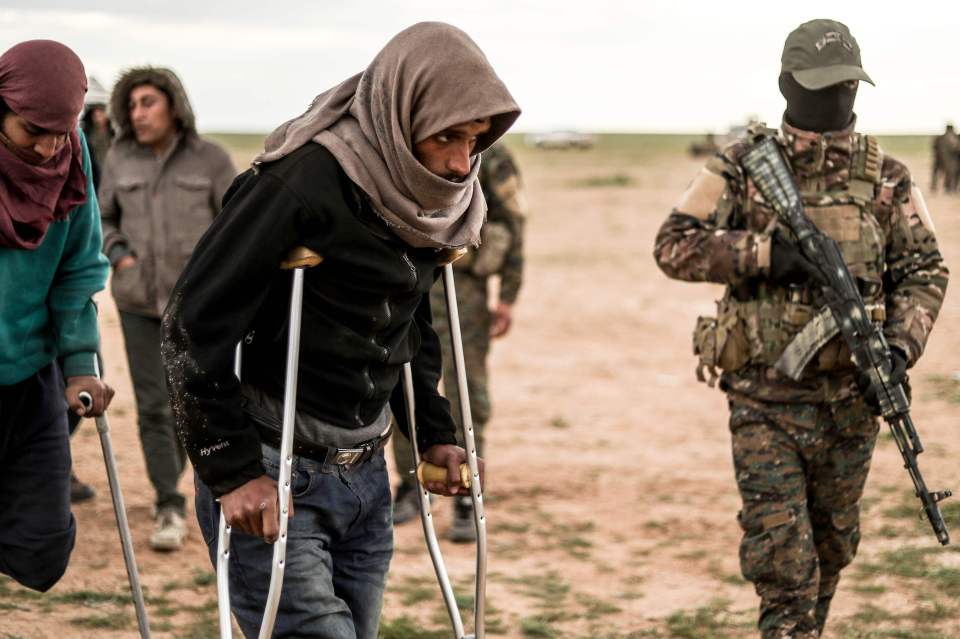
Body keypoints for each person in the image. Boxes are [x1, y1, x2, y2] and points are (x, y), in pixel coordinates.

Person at [161, 22, 519, 638]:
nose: (462, 163)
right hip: (274, 469)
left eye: (475, 140)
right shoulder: (302, 180)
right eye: (447, 138)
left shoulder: (429, 196)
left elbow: (412, 321)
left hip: (365, 473)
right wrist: (231, 470)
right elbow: (192, 325)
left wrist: (433, 434)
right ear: (401, 116)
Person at [654, 19, 949, 639]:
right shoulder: (742, 167)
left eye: (846, 86)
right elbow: (673, 245)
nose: (837, 101)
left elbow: (924, 270)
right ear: (787, 85)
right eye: (821, 87)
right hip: (766, 404)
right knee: (785, 567)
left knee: (832, 549)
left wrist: (899, 348)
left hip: (850, 404)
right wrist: (763, 256)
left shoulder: (888, 178)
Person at [99, 66, 236, 551]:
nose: (138, 113)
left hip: (197, 307)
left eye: (148, 102)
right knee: (154, 406)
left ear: (173, 105)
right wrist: (121, 255)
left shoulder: (213, 159)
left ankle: (210, 493)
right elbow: (104, 215)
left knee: (196, 403)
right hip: (137, 301)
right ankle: (167, 505)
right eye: (132, 105)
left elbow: (235, 225)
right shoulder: (117, 158)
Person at [0, 40, 113, 592]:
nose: (47, 149)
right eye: (30, 131)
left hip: (30, 375)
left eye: (58, 132)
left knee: (41, 550)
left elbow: (79, 267)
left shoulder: (74, 156)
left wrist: (81, 363)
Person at [391, 140, 526, 542]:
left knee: (466, 389)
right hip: (407, 286)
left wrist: (508, 294)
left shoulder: (493, 156)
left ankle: (467, 488)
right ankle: (411, 482)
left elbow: (513, 222)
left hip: (462, 290)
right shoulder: (399, 145)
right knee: (403, 384)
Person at [931, 123, 959, 193]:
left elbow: (934, 148)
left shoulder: (940, 138)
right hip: (949, 160)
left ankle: (937, 187)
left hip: (939, 159)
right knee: (951, 173)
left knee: (938, 173)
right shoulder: (952, 138)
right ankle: (949, 188)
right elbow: (956, 149)